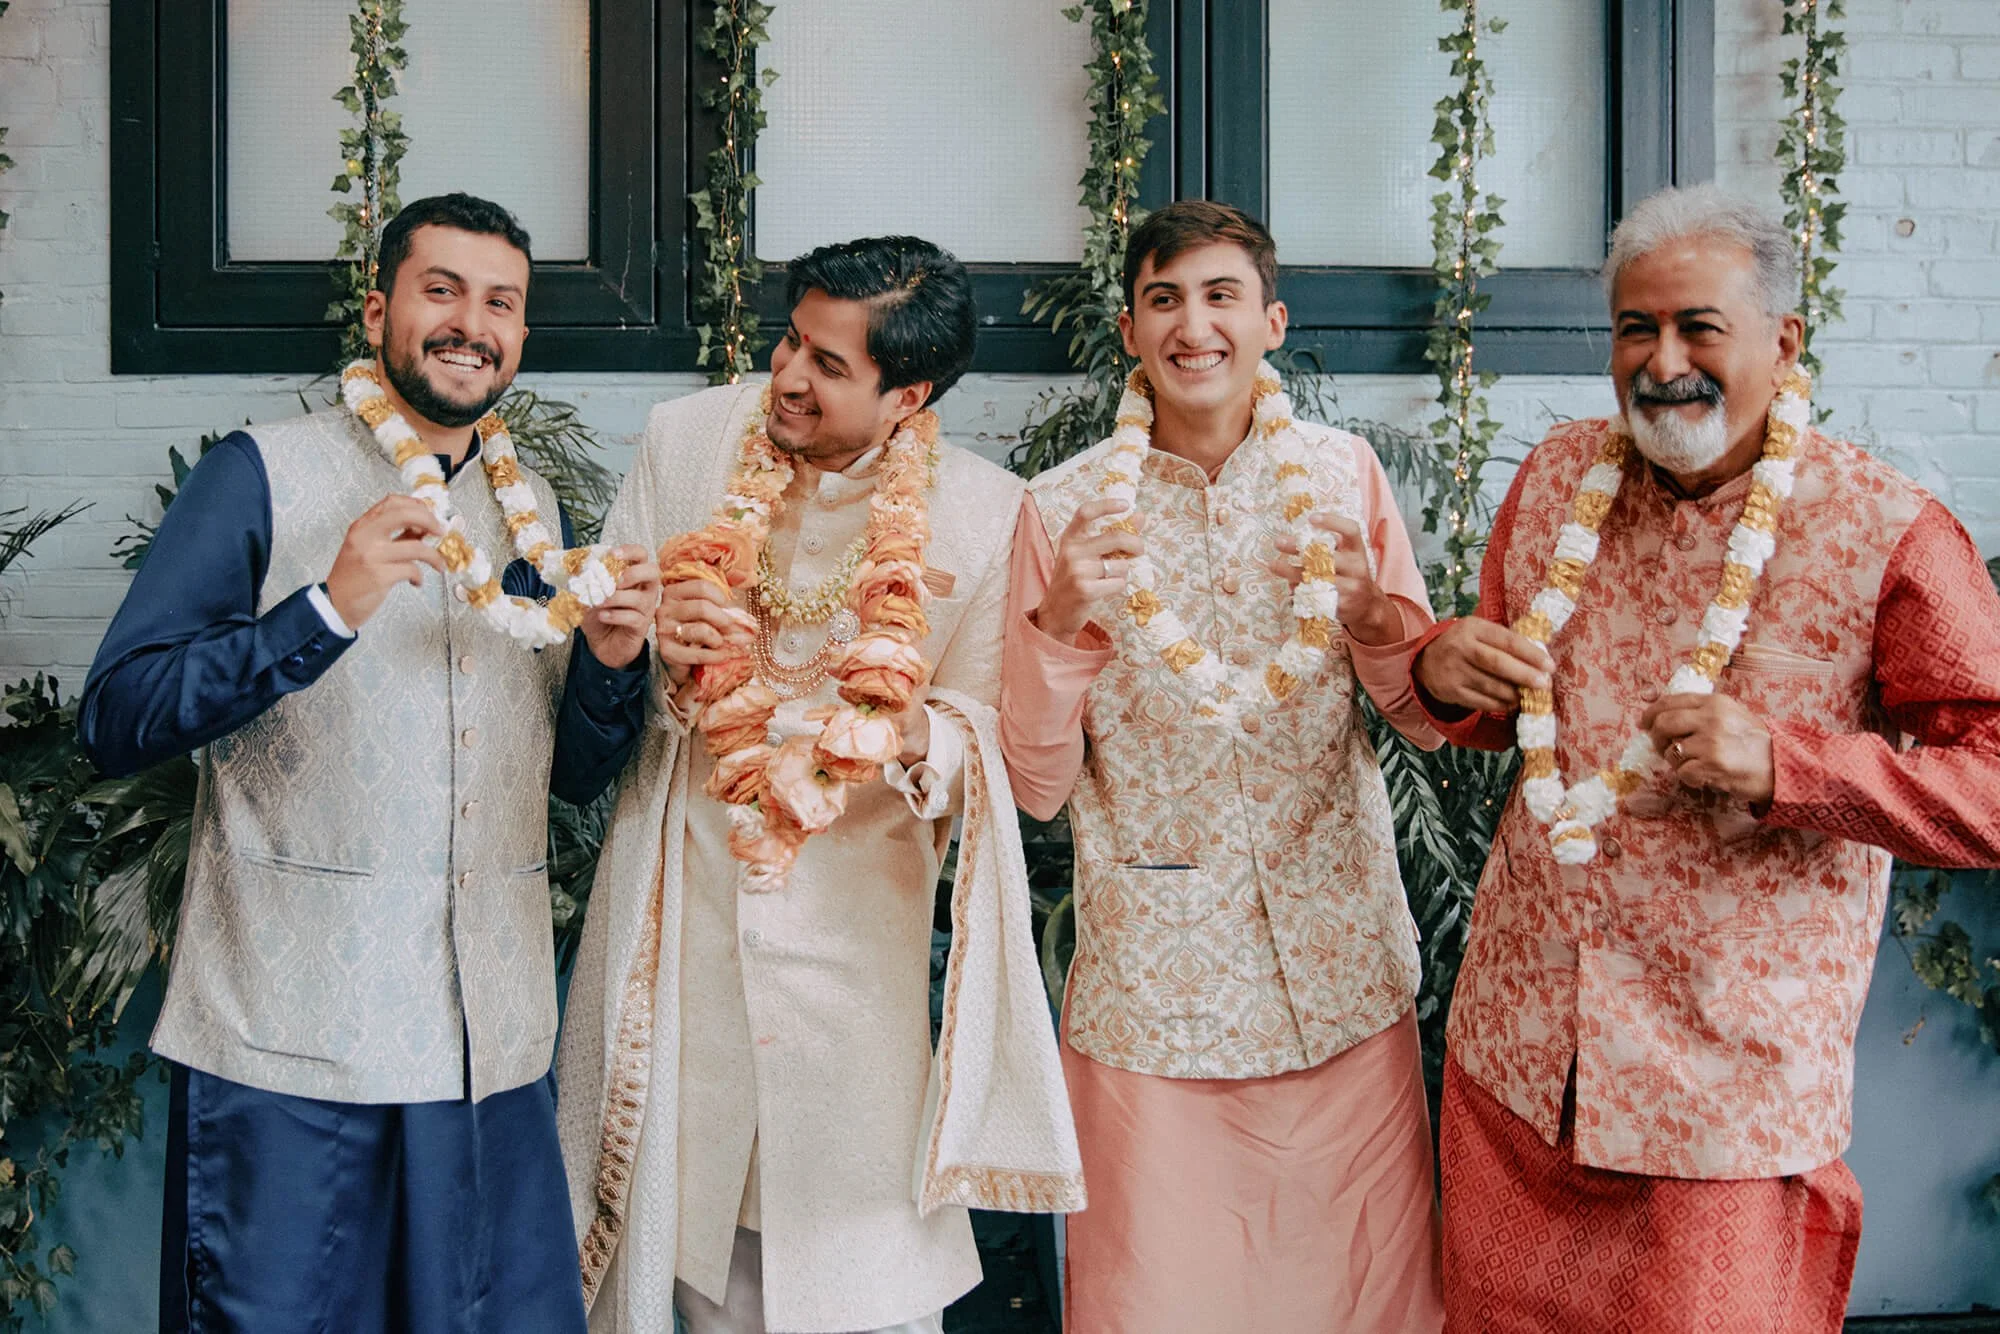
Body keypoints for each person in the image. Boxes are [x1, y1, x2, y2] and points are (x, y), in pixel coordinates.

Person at [1409, 182, 2000, 1332]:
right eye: (1634, 327)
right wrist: (1443, 667)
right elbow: (1507, 702)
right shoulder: (1554, 479)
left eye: (1697, 327)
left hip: (1721, 1087)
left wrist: (1791, 768)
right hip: (1519, 1060)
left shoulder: (1883, 528)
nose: (1661, 360)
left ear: (1781, 340)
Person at [79, 192, 661, 1334]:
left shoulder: (532, 510)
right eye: (441, 291)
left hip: (486, 1053)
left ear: (521, 333)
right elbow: (118, 715)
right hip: (292, 1052)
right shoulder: (257, 472)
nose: (471, 325)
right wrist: (324, 609)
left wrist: (608, 661)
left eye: (501, 303)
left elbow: (561, 779)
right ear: (378, 306)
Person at [555, 234, 1083, 1334]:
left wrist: (905, 732)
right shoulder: (686, 441)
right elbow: (597, 655)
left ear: (908, 396)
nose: (788, 376)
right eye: (791, 340)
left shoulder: (987, 513)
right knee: (684, 1257)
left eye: (829, 365)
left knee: (854, 1280)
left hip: (852, 964)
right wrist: (652, 650)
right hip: (681, 925)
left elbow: (987, 743)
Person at [999, 199, 1447, 1333]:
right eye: (1163, 300)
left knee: (1363, 1297)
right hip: (1157, 991)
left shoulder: (1342, 478)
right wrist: (1057, 623)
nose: (1192, 326)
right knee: (1158, 1299)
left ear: (1270, 321)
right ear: (1128, 329)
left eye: (1219, 296)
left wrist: (1371, 615)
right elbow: (1035, 786)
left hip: (1338, 969)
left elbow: (1423, 719)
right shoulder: (1063, 511)